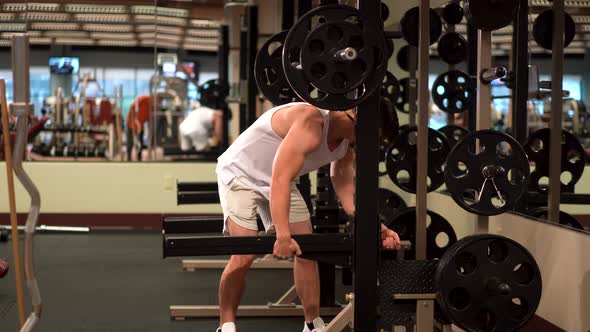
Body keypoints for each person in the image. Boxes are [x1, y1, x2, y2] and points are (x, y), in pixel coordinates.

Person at [214, 98, 402, 332]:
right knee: (245, 252)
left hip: (279, 179)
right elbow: (279, 178)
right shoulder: (311, 122)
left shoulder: (346, 145)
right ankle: (226, 323)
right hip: (241, 173)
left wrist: (375, 225)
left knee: (307, 248)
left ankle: (311, 324)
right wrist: (282, 235)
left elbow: (345, 189)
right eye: (375, 138)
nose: (373, 145)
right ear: (359, 121)